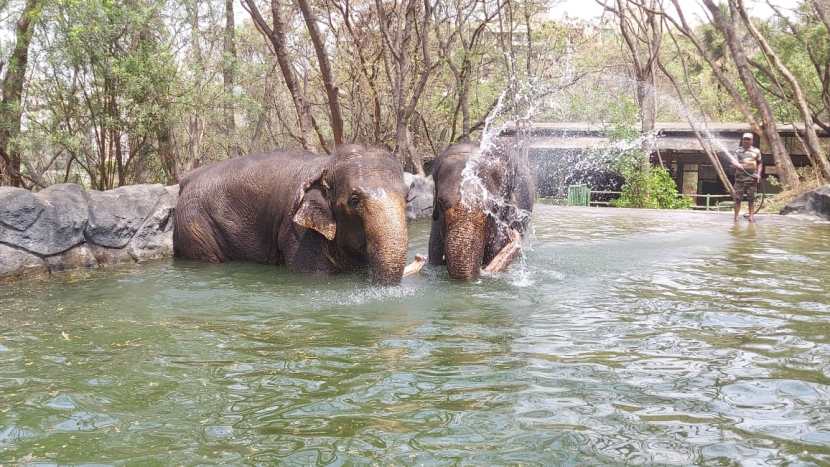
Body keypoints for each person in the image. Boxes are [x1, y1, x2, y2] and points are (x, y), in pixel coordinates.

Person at [731, 133, 762, 223]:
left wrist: (759, 174)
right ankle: (736, 217)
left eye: (748, 139)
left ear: (752, 141)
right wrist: (737, 165)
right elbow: (733, 161)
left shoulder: (756, 151)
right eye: (745, 139)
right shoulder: (738, 151)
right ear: (742, 140)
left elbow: (760, 163)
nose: (746, 141)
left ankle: (751, 216)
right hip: (739, 179)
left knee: (751, 199)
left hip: (752, 179)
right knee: (737, 199)